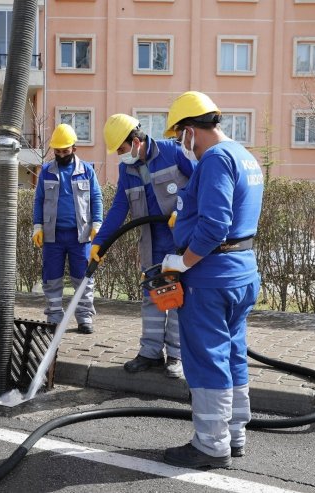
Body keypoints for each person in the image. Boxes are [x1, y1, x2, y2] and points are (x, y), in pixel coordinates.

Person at [160, 91, 265, 469]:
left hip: (210, 278)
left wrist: (183, 261)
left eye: (178, 137)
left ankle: (210, 445)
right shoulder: (244, 155)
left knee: (207, 360)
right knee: (233, 353)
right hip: (241, 273)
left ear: (190, 131)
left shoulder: (216, 159)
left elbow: (216, 224)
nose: (179, 145)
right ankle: (234, 435)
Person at [91, 114, 195, 378]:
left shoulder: (172, 152)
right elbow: (119, 207)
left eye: (122, 149)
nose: (121, 155)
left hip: (180, 241)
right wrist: (100, 242)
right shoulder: (127, 169)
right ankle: (150, 353)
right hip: (152, 242)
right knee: (152, 297)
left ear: (136, 141)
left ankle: (176, 356)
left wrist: (184, 213)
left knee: (177, 299)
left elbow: (199, 185)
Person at [32, 124, 103, 334]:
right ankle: (54, 317)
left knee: (83, 279)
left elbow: (96, 198)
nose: (61, 155)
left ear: (74, 148)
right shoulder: (46, 171)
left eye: (65, 151)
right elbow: (39, 200)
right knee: (51, 277)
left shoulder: (86, 171)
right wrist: (38, 227)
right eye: (58, 151)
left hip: (80, 236)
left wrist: (97, 224)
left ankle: (84, 318)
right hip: (53, 235)